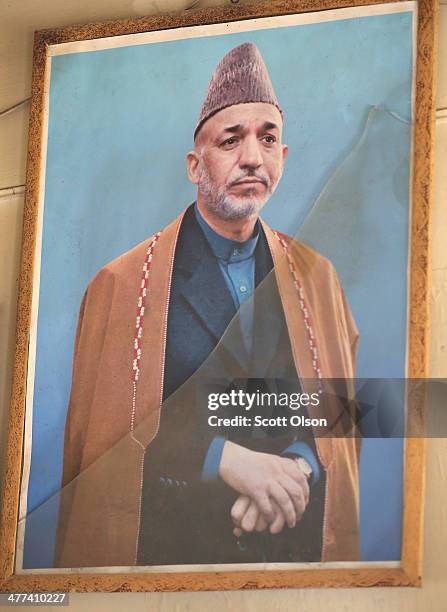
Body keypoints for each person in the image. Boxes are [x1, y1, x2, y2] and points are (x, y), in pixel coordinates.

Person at [55, 43, 360, 569]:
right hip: (164, 561)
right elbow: (105, 445)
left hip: (290, 563)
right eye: (230, 139)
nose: (252, 157)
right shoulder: (123, 285)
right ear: (196, 165)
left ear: (282, 159)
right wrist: (225, 458)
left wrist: (299, 467)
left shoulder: (319, 281)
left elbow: (341, 416)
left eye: (268, 139)